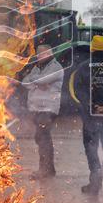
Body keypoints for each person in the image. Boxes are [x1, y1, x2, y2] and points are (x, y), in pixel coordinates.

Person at [69, 35, 103, 195]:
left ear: (91, 48)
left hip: (91, 117)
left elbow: (78, 91)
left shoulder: (83, 67)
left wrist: (91, 105)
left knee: (91, 148)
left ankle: (95, 182)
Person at [20, 44, 64, 179]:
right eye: (38, 54)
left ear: (48, 54)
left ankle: (44, 170)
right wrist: (38, 83)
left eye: (41, 54)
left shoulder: (56, 68)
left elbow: (39, 80)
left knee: (43, 137)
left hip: (47, 109)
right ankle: (49, 169)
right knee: (41, 138)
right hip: (37, 108)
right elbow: (25, 82)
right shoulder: (37, 68)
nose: (38, 57)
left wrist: (37, 82)